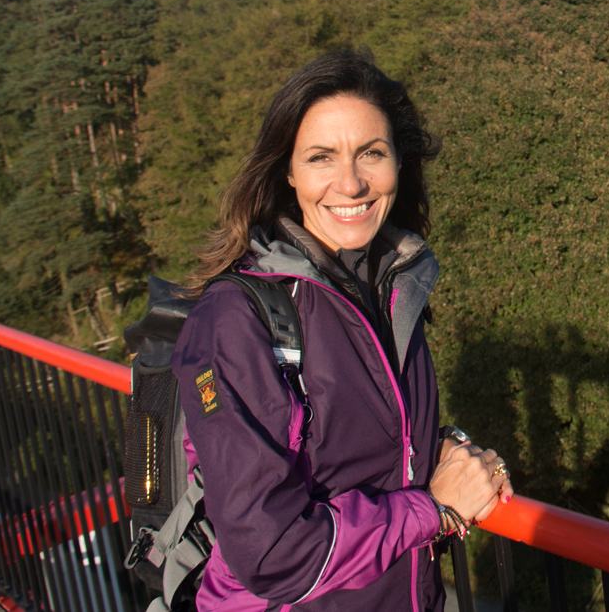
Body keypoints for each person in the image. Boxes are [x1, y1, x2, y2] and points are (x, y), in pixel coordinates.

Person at [171, 49, 512, 611]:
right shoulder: (236, 319)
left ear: (399, 162)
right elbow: (271, 552)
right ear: (287, 170)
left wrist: (445, 450)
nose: (350, 184)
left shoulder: (391, 285)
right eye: (321, 157)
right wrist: (435, 508)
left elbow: (358, 443)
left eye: (371, 153)